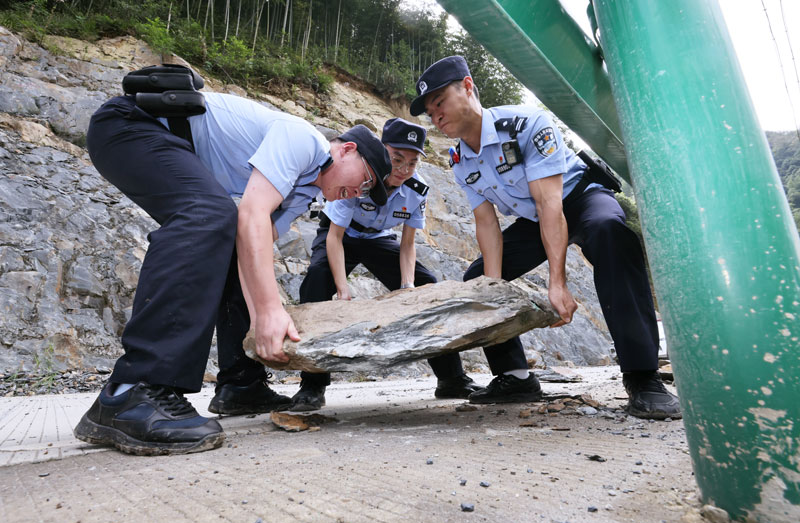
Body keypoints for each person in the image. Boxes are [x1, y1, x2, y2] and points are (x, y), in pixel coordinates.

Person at [73, 83, 393, 455]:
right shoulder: (306, 141)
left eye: (367, 193)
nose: (358, 193)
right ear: (347, 149)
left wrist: (262, 323)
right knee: (209, 215)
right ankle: (133, 390)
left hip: (156, 141)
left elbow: (252, 245)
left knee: (224, 239)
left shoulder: (304, 190)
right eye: (365, 180)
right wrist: (270, 310)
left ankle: (241, 384)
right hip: (131, 126)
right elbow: (251, 215)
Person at [409, 56, 680, 419]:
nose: (435, 116)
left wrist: (558, 283)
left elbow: (550, 202)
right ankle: (515, 376)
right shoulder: (459, 159)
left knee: (609, 234)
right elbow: (486, 223)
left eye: (440, 102)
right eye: (430, 112)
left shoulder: (524, 124)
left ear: (469, 87)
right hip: (536, 217)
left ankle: (643, 376)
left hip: (578, 198)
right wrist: (493, 286)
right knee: (479, 281)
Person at [290, 118, 484, 411]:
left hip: (378, 238)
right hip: (341, 234)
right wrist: (342, 291)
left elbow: (408, 244)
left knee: (426, 286)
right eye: (397, 159)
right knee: (316, 281)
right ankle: (312, 386)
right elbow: (335, 238)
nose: (404, 169)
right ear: (383, 152)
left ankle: (451, 378)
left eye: (412, 162)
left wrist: (408, 288)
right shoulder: (363, 174)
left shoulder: (417, 189)